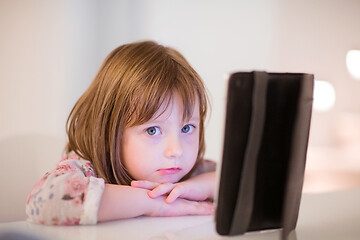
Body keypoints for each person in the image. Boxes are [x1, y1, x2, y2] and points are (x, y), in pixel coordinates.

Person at [26, 41, 216, 225]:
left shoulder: (193, 172)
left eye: (186, 128)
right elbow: (44, 202)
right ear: (109, 133)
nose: (176, 150)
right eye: (152, 130)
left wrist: (205, 185)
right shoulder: (87, 170)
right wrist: (155, 203)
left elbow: (243, 180)